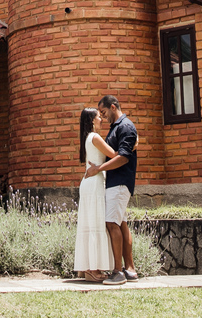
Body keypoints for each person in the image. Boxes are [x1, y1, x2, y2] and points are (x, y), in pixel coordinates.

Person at [85, 94, 138, 285]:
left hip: (120, 183)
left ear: (113, 107)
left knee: (111, 224)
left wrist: (98, 169)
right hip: (114, 182)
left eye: (104, 112)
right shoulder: (117, 128)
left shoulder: (126, 127)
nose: (102, 116)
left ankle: (118, 272)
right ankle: (130, 270)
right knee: (121, 224)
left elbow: (123, 157)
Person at [73, 108, 116, 281]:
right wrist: (133, 145)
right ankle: (93, 269)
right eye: (99, 117)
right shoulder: (95, 137)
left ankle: (88, 268)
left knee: (90, 223)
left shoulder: (87, 138)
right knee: (95, 223)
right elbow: (114, 155)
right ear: (91, 120)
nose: (102, 119)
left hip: (90, 183)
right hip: (95, 184)